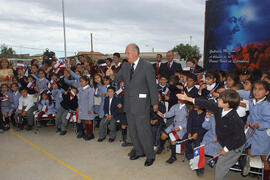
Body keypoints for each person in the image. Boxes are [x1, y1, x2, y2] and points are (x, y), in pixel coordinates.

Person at [106, 43, 158, 167]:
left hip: (142, 104)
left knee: (144, 131)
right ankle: (139, 151)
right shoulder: (125, 66)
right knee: (133, 131)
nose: (126, 55)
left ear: (135, 53)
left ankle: (150, 155)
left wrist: (155, 103)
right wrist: (111, 74)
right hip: (129, 104)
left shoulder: (146, 66)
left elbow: (152, 86)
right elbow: (117, 79)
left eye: (128, 53)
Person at [177, 89, 246, 180]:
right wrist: (188, 98)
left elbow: (238, 137)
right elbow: (206, 103)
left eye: (220, 99)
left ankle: (241, 158)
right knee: (216, 153)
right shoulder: (219, 108)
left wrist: (226, 149)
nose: (217, 100)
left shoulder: (235, 119)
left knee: (220, 168)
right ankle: (240, 159)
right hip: (224, 141)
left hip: (235, 146)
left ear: (227, 104)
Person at [240, 81, 270, 179]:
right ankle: (247, 164)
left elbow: (268, 122)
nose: (256, 92)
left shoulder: (267, 105)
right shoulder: (252, 101)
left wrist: (258, 125)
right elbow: (251, 115)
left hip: (263, 135)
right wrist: (247, 123)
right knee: (250, 152)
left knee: (265, 158)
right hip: (252, 132)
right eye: (255, 89)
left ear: (267, 92)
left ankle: (266, 176)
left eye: (260, 89)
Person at [156, 98, 187, 164]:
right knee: (163, 135)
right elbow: (170, 114)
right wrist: (163, 115)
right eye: (178, 99)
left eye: (181, 98)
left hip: (182, 128)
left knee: (173, 139)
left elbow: (188, 121)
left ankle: (173, 156)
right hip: (174, 125)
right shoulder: (176, 106)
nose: (178, 100)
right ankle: (161, 148)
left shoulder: (188, 108)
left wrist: (180, 127)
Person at [77, 76, 95, 141]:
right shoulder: (81, 90)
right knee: (85, 120)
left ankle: (90, 134)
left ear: (87, 82)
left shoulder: (90, 90)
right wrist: (78, 107)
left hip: (87, 108)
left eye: (82, 81)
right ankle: (87, 133)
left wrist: (90, 109)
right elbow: (79, 99)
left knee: (88, 120)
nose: (81, 83)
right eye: (80, 81)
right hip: (82, 107)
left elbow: (91, 100)